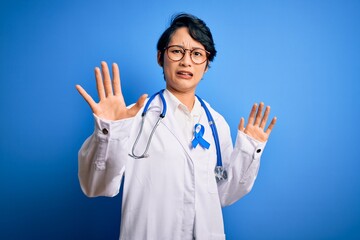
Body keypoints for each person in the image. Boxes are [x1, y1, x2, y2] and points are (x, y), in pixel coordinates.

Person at [76, 13, 276, 240]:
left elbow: (223, 194)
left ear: (206, 66)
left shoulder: (216, 123)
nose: (186, 61)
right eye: (177, 51)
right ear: (160, 57)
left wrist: (250, 151)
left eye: (197, 54)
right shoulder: (132, 118)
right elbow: (96, 186)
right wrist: (109, 131)